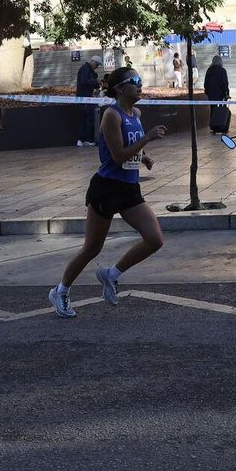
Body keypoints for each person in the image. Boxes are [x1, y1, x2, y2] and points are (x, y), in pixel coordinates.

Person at [47, 66, 168, 319]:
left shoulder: (136, 112)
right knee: (92, 248)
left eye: (140, 80)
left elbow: (129, 147)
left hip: (129, 188)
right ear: (119, 89)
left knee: (154, 239)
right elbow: (118, 155)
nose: (140, 84)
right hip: (107, 188)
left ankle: (111, 274)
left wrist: (144, 157)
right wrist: (147, 139)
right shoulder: (111, 116)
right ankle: (60, 290)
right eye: (134, 81)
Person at [75, 55, 103, 147]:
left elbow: (90, 83)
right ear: (93, 62)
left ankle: (81, 140)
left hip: (83, 98)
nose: (97, 67)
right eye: (97, 65)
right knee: (89, 119)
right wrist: (96, 81)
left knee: (83, 119)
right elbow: (84, 81)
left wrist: (97, 83)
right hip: (85, 97)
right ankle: (89, 140)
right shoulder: (85, 69)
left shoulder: (88, 71)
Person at [204, 52, 231, 134]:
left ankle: (214, 127)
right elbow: (225, 83)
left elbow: (206, 83)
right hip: (220, 94)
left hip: (211, 94)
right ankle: (222, 126)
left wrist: (208, 92)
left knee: (213, 110)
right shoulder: (222, 70)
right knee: (222, 110)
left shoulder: (209, 70)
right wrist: (226, 93)